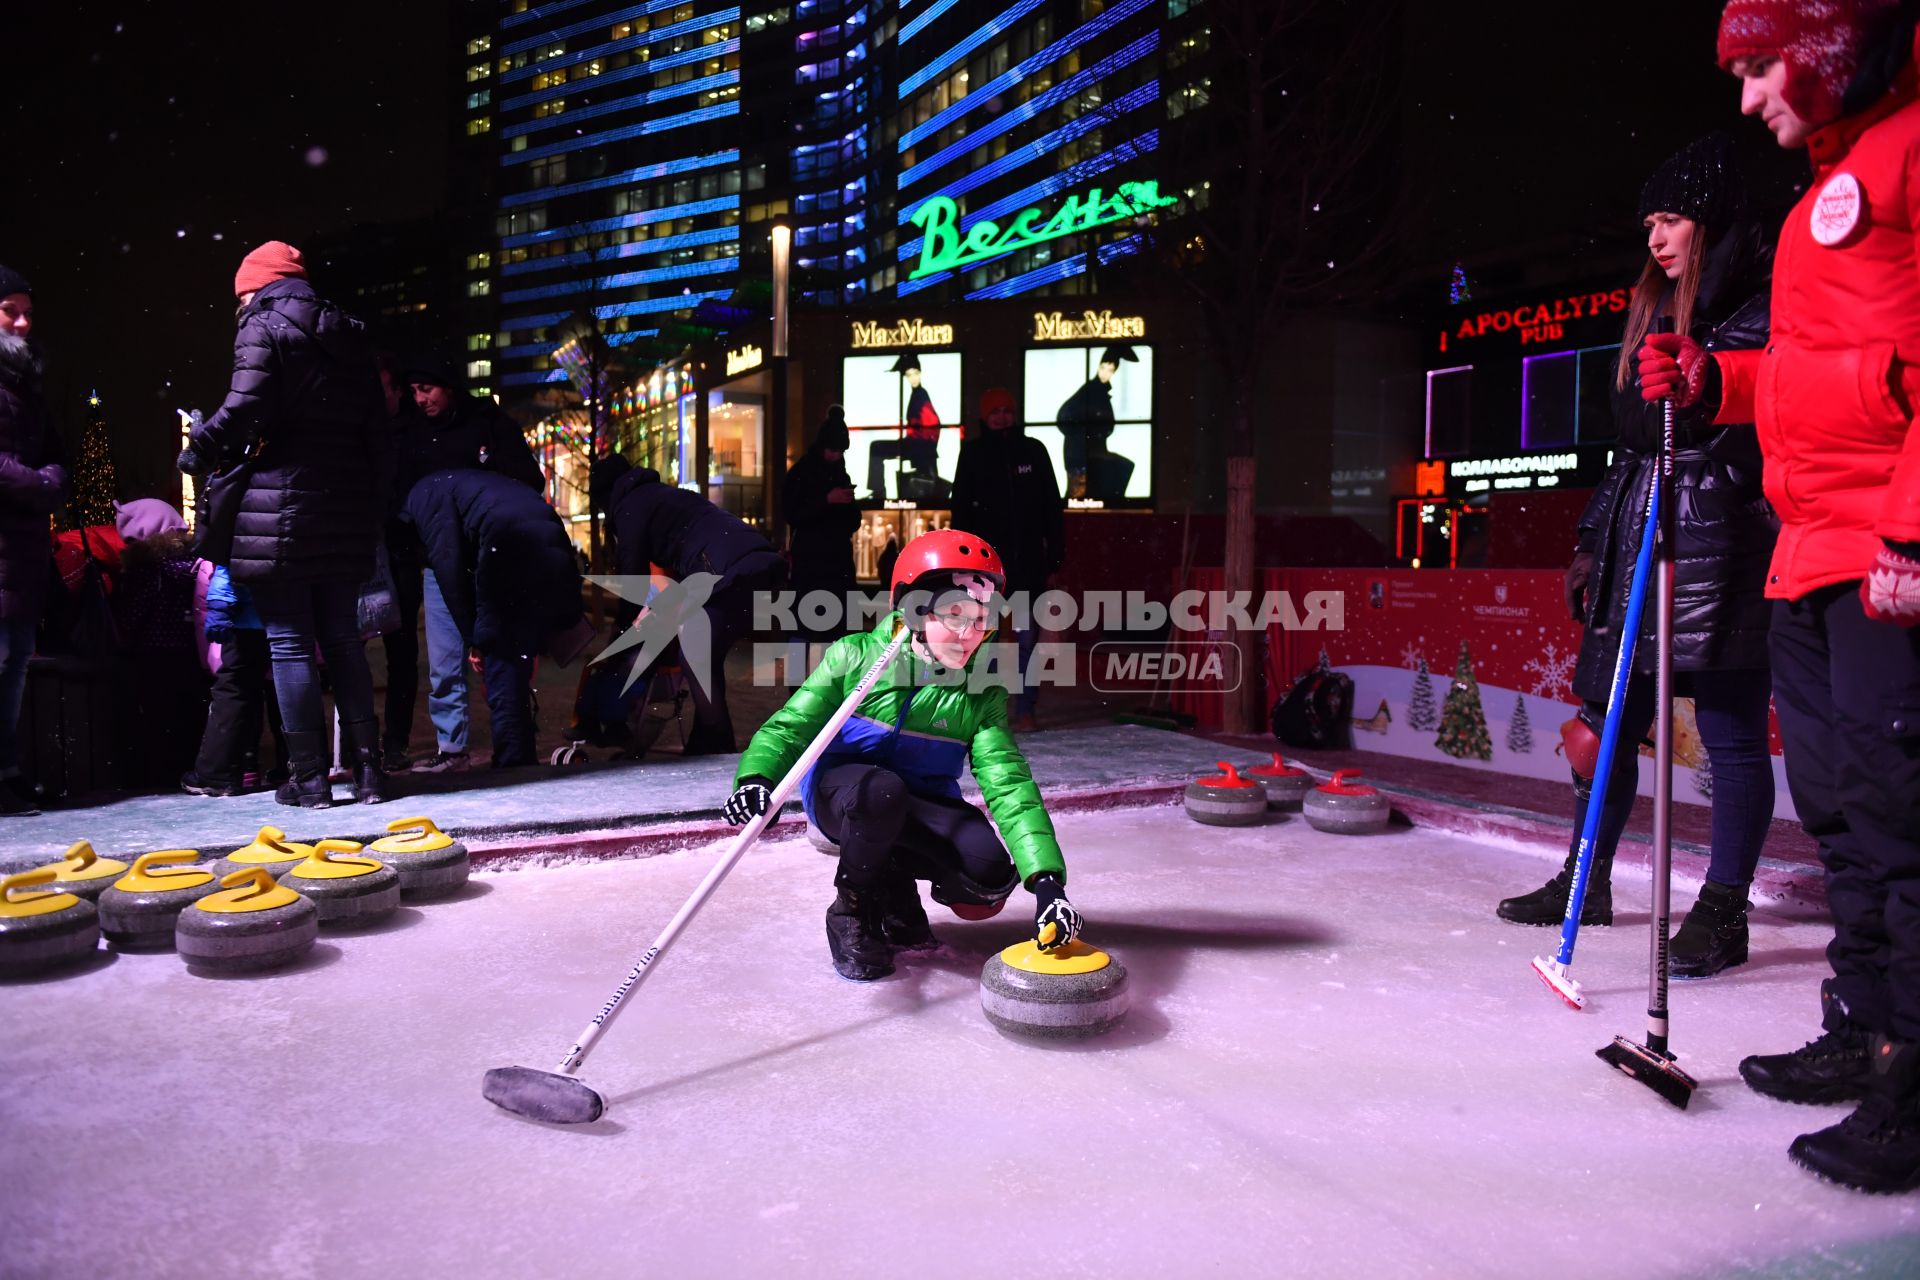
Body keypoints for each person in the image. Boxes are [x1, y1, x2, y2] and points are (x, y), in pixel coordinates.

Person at [1638, 0, 1920, 1193]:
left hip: (1888, 545)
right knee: (1846, 808)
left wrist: (1914, 522)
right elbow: (1819, 374)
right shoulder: (1826, 189)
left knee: (1902, 811)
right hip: (1810, 542)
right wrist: (1718, 377)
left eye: (1759, 69)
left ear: (1825, 42)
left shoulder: (1910, 152)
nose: (1749, 98)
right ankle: (1868, 1024)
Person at [1497, 133, 1778, 985]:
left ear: (1713, 220)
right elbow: (1625, 449)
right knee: (1609, 726)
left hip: (1720, 540)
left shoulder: (1762, 306)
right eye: (1649, 221)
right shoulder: (1648, 310)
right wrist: (1591, 538)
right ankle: (1586, 878)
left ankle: (1723, 908)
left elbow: (1746, 425)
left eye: (1673, 219)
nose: (1656, 237)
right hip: (1638, 534)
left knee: (1728, 731)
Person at [722, 529, 1086, 981]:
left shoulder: (982, 689)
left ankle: (891, 884)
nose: (969, 633)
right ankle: (850, 910)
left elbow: (1008, 782)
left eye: (981, 619)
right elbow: (789, 728)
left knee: (986, 882)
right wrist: (757, 780)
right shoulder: (853, 657)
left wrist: (1047, 882)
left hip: (917, 800)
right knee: (882, 792)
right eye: (954, 614)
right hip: (846, 794)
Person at [177, 240, 387, 809]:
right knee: (343, 640)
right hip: (343, 504)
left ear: (252, 288)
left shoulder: (261, 324)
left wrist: (202, 445)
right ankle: (370, 773)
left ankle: (310, 778)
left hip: (280, 504)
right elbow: (375, 422)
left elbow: (245, 405)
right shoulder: (351, 331)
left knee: (290, 642)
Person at [401, 354, 544, 774]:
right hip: (439, 563)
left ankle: (513, 744)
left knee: (498, 655)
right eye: (413, 392)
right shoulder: (415, 433)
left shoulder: (488, 421)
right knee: (445, 661)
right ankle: (452, 748)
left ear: (448, 385)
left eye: (427, 389)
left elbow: (529, 480)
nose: (420, 399)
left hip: (490, 558)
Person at [591, 454, 787, 755]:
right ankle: (705, 740)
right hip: (757, 563)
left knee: (696, 654)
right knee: (706, 654)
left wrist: (622, 634)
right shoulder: (663, 496)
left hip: (728, 570)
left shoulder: (630, 507)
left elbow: (633, 579)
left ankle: (717, 744)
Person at [404, 468, 588, 768]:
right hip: (547, 537)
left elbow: (451, 577)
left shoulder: (424, 500)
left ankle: (514, 766)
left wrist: (475, 641)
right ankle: (521, 755)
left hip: (506, 544)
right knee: (515, 664)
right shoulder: (461, 486)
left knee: (502, 669)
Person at [951, 386, 1066, 732]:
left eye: (1007, 410)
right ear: (984, 417)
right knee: (981, 640)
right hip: (984, 571)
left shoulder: (1033, 451)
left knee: (1026, 640)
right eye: (994, 411)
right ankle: (984, 713)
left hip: (1028, 567)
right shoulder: (972, 455)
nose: (1002, 416)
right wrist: (961, 565)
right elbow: (960, 512)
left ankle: (1025, 708)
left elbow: (1051, 509)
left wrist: (1055, 561)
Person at [0, 265, 68, 816]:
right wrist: (41, 483)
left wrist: (50, 478)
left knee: (15, 661)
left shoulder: (27, 382)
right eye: (9, 311)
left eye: (27, 311)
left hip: (20, 548)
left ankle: (9, 770)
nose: (23, 323)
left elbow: (55, 452)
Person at [110, 501, 211, 791]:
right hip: (193, 652)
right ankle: (191, 766)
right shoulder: (194, 564)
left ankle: (160, 774)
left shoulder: (147, 570)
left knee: (158, 716)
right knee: (192, 714)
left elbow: (135, 615)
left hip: (154, 654)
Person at [374, 353, 425, 772]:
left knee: (402, 652)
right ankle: (361, 742)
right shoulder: (362, 434)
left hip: (400, 551)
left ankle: (394, 741)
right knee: (346, 650)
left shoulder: (411, 437)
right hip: (370, 549)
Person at [782, 405, 862, 659]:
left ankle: (832, 685)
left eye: (839, 451)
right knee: (803, 628)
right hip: (811, 565)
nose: (835, 456)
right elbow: (792, 513)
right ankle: (797, 688)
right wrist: (826, 500)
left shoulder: (840, 473)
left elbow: (853, 522)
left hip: (835, 566)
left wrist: (845, 504)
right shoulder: (802, 473)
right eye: (832, 450)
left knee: (833, 632)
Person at [1057, 345, 1138, 502]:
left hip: (1091, 452)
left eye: (1110, 369)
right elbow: (1064, 416)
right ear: (1099, 367)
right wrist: (1086, 433)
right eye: (1104, 367)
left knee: (1122, 468)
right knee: (1080, 491)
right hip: (1081, 454)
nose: (1106, 373)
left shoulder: (1098, 391)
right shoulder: (1090, 391)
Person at [865, 352, 942, 500]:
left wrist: (923, 443)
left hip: (919, 445)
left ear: (920, 374)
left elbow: (932, 425)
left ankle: (878, 491)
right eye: (909, 375)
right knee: (877, 448)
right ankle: (878, 490)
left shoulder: (921, 395)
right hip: (918, 444)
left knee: (876, 448)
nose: (913, 378)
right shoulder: (918, 394)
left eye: (915, 373)